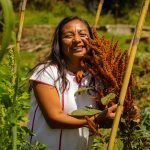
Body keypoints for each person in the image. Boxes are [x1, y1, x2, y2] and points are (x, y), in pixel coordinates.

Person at [27, 16, 117, 150]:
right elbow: (54, 119)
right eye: (68, 36)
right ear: (59, 42)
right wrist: (95, 120)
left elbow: (105, 117)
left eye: (83, 34)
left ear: (92, 40)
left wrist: (123, 113)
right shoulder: (47, 72)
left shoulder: (96, 76)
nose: (77, 40)